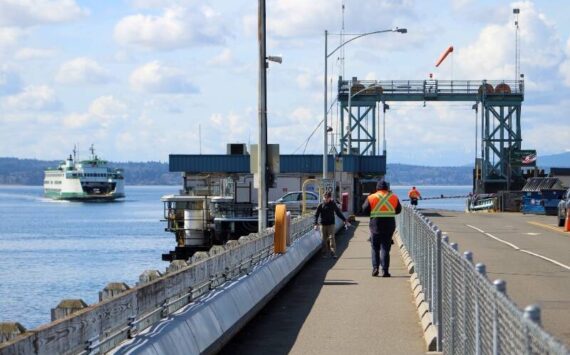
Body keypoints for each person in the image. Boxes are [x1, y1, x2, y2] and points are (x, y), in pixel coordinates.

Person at [362, 180, 402, 277]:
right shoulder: (394, 197)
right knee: (385, 248)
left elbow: (364, 210)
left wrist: (373, 213)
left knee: (375, 247)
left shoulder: (371, 197)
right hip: (389, 226)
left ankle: (375, 268)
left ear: (377, 188)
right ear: (387, 188)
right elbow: (398, 210)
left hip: (375, 225)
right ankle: (385, 271)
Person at [314, 191, 350, 258]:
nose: (326, 199)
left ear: (330, 198)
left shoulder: (333, 204)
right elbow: (316, 215)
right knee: (323, 239)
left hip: (331, 224)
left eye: (327, 198)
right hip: (323, 224)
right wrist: (315, 223)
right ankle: (324, 253)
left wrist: (345, 220)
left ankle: (333, 253)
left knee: (332, 238)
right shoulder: (320, 205)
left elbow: (338, 213)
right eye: (325, 197)